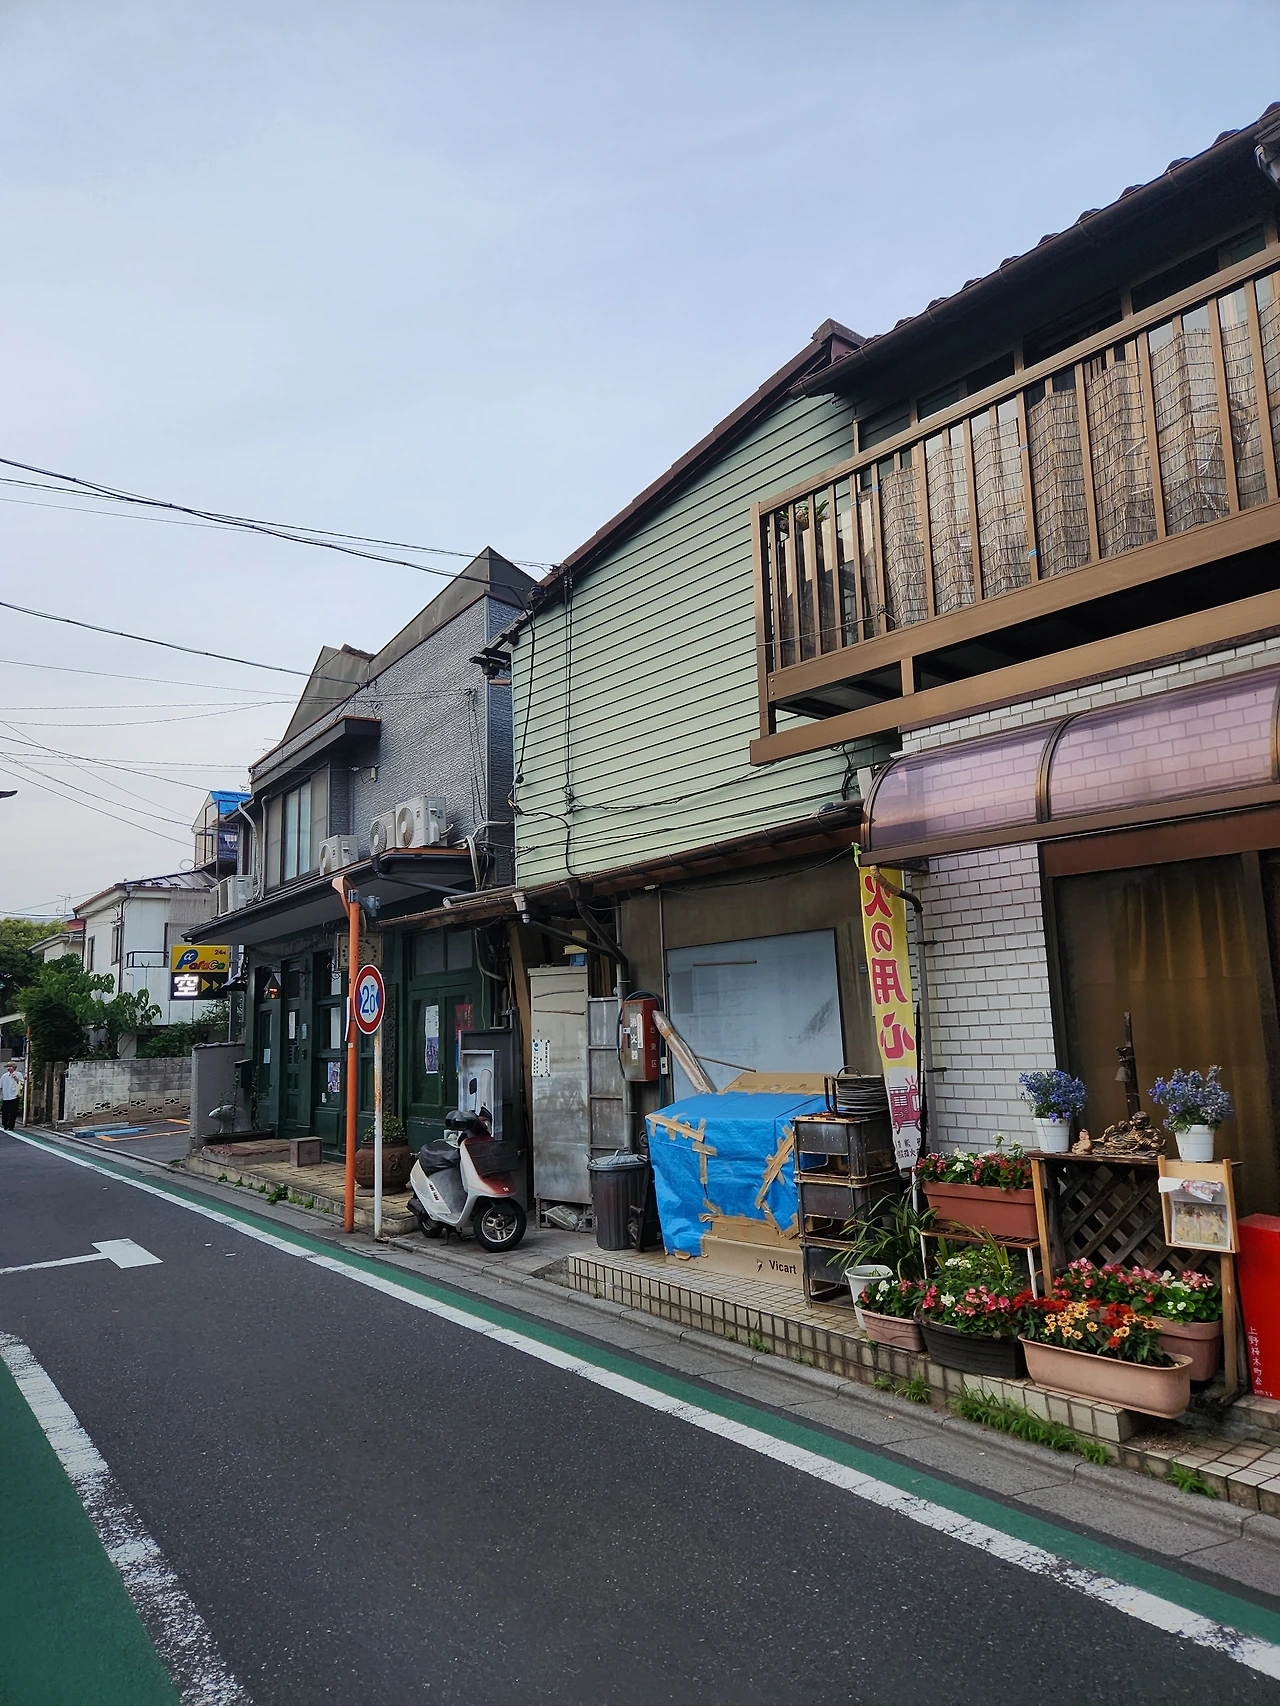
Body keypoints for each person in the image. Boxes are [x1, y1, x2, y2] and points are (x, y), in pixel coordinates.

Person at [0, 1061, 23, 1131]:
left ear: (14, 1067)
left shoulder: (19, 1074)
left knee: (13, 1112)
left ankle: (11, 1126)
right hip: (6, 1096)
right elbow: (1, 1086)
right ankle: (5, 1124)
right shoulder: (4, 1076)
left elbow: (22, 1083)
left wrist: (16, 1078)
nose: (8, 1068)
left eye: (10, 1066)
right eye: (8, 1067)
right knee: (5, 1112)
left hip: (14, 1096)